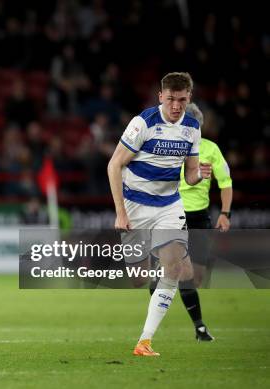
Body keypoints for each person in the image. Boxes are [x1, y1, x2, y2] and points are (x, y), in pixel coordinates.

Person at [107, 72, 212, 356]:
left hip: (169, 205)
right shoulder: (143, 123)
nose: (176, 106)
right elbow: (114, 165)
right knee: (139, 277)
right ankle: (159, 263)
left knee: (175, 269)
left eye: (181, 100)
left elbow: (189, 176)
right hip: (135, 207)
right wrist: (120, 212)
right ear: (160, 97)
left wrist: (199, 175)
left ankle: (145, 341)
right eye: (170, 99)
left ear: (189, 98)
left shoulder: (191, 128)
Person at [163, 102, 232, 341]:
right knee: (184, 271)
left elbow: (226, 183)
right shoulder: (170, 149)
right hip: (174, 214)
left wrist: (225, 213)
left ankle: (161, 279)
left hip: (200, 218)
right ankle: (200, 328)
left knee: (197, 277)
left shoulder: (211, 150)